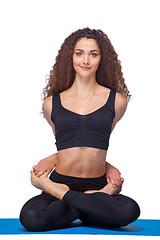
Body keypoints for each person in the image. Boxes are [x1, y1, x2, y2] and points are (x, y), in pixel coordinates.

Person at [20, 27, 140, 232]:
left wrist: (48, 186)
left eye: (93, 54)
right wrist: (54, 158)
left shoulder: (117, 101)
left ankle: (65, 198)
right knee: (30, 216)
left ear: (102, 58)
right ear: (70, 57)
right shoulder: (51, 103)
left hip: (95, 182)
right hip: (65, 181)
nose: (86, 61)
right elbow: (70, 145)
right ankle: (93, 207)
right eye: (79, 53)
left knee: (130, 209)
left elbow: (94, 143)